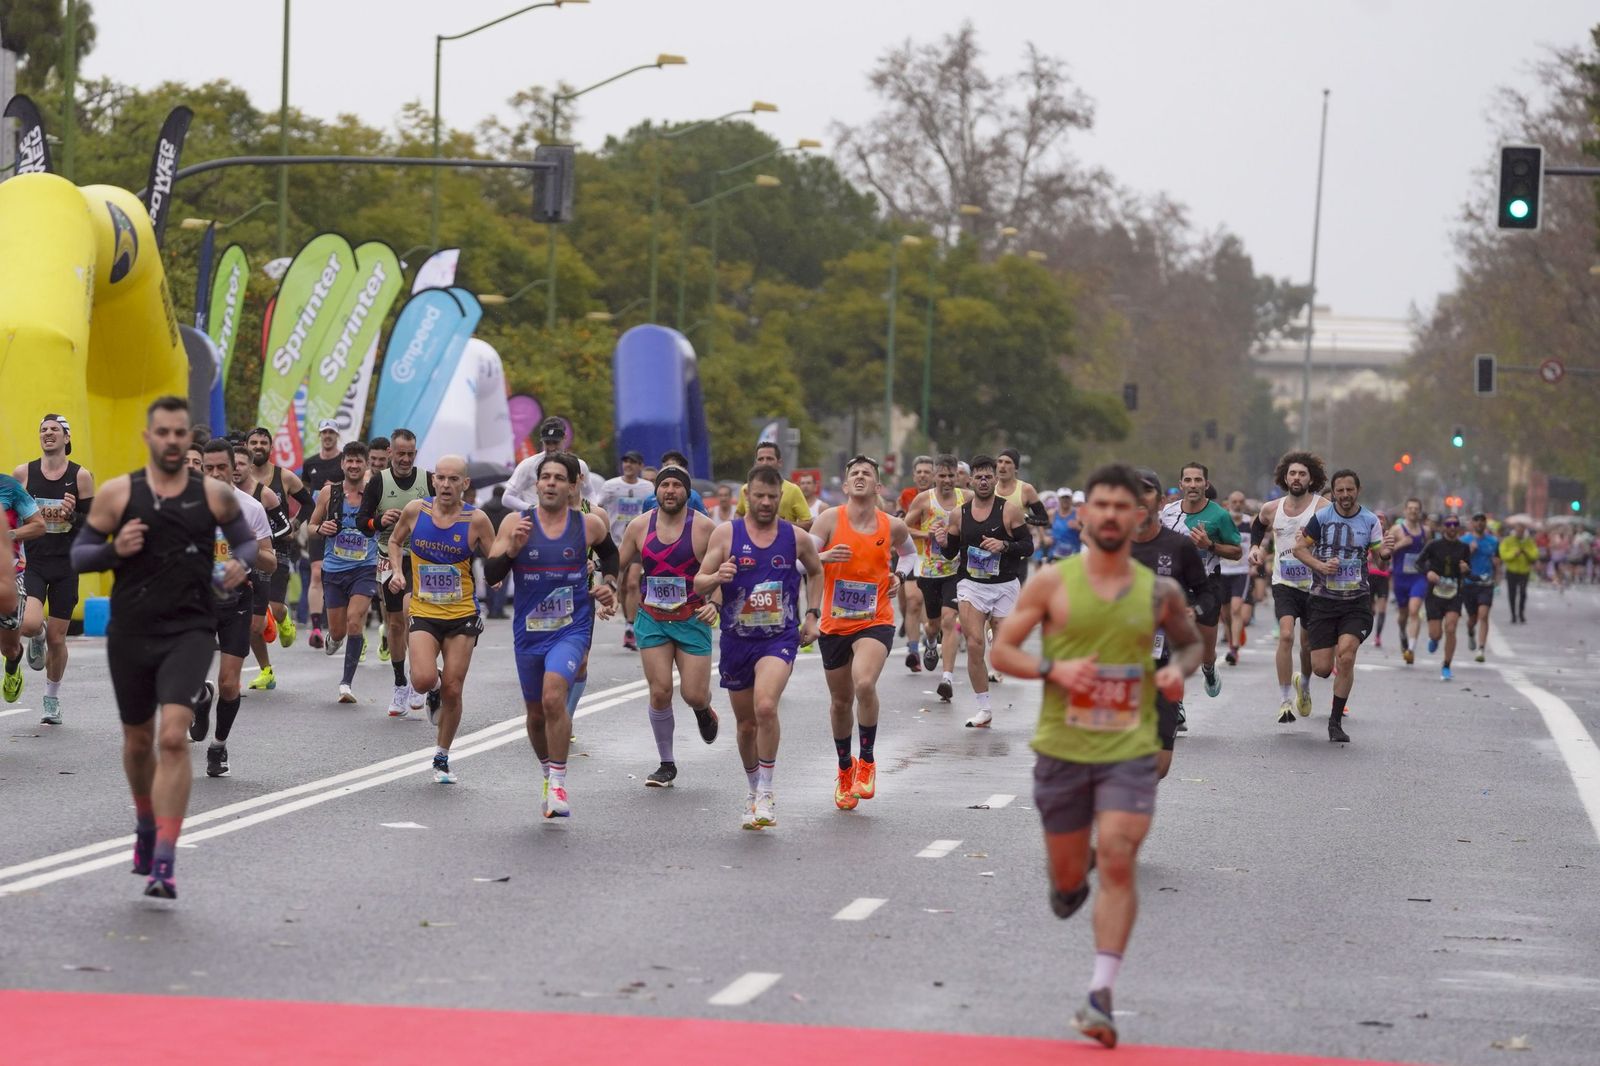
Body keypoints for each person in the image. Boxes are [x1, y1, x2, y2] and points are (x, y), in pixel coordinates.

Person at [989, 464, 1202, 1050]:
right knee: (1068, 879)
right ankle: (1068, 879)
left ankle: (1100, 994)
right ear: (1083, 516)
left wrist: (1176, 672)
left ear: (1137, 517)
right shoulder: (1052, 583)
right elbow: (1003, 652)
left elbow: (1190, 646)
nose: (1110, 515)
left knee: (1118, 856)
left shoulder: (1159, 592)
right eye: (1100, 505)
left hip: (1130, 747)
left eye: (1121, 506)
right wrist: (1054, 669)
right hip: (1063, 749)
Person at [71, 395, 259, 899]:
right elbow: (80, 555)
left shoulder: (213, 495)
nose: (172, 441)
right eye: (164, 433)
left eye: (180, 433)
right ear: (149, 438)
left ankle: (165, 859)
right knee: (138, 742)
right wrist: (114, 550)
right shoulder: (119, 493)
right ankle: (145, 822)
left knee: (173, 738)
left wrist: (239, 563)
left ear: (186, 438)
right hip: (132, 633)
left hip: (191, 629)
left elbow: (245, 542)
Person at [696, 464, 824, 830]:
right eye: (759, 496)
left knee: (765, 706)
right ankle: (753, 789)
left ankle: (767, 791)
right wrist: (716, 577)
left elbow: (816, 571)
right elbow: (699, 581)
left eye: (772, 497)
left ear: (780, 497)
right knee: (746, 724)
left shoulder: (795, 537)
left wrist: (812, 615)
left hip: (778, 638)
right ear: (747, 496)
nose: (766, 503)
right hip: (737, 640)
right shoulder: (726, 534)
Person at [497, 452, 619, 819]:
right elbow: (491, 574)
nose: (551, 483)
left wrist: (609, 583)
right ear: (536, 485)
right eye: (545, 477)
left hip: (571, 627)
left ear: (572, 486)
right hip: (529, 632)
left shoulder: (589, 524)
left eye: (559, 478)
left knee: (554, 697)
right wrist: (512, 551)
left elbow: (610, 554)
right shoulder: (515, 523)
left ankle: (560, 783)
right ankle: (547, 773)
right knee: (536, 715)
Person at [385, 456, 496, 784]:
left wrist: (498, 574)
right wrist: (396, 571)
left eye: (453, 479)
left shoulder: (476, 519)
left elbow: (496, 558)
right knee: (421, 679)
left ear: (465, 484)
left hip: (462, 614)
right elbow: (395, 540)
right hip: (424, 610)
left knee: (454, 687)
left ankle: (442, 756)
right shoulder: (415, 511)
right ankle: (432, 690)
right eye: (441, 478)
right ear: (433, 481)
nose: (446, 485)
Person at [812, 456, 912, 810]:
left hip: (875, 618)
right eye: (854, 473)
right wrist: (823, 557)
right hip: (835, 623)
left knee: (865, 683)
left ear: (877, 485)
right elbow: (800, 559)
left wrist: (899, 576)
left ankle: (867, 761)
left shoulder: (892, 525)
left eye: (866, 473)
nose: (859, 477)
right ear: (845, 485)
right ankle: (845, 767)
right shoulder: (828, 519)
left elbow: (910, 555)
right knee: (841, 702)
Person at [615, 465, 720, 788]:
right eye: (665, 485)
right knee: (660, 691)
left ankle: (704, 709)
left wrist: (715, 603)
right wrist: (604, 586)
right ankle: (666, 763)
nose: (670, 490)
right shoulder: (639, 526)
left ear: (687, 492)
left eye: (676, 485)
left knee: (693, 694)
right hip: (652, 618)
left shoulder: (705, 528)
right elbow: (617, 564)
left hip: (692, 617)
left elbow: (722, 573)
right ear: (656, 491)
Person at [190, 440, 277, 777]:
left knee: (229, 684)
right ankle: (200, 699)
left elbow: (270, 562)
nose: (214, 474)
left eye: (221, 467)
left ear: (234, 468)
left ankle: (218, 746)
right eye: (208, 468)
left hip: (236, 601)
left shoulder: (251, 508)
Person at [1291, 470, 1393, 742]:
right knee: (1322, 669)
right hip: (1323, 602)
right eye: (1340, 490)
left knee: (1346, 656)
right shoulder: (1322, 518)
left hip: (1356, 603)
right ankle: (1305, 679)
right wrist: (1320, 566)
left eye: (1350, 490)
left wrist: (1385, 554)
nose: (1345, 495)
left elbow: (1380, 560)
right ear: (1333, 492)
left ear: (1358, 490)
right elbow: (1299, 549)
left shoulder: (1370, 520)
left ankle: (1335, 722)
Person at [933, 455, 1033, 728]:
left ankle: (996, 631)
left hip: (1004, 584)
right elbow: (951, 553)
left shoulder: (1009, 511)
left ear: (995, 479)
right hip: (971, 584)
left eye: (989, 477)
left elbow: (1028, 547)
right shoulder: (959, 514)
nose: (984, 481)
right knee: (975, 644)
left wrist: (1004, 546)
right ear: (970, 481)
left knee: (1000, 646)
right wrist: (943, 542)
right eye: (979, 477)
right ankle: (984, 709)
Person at [15, 414, 95, 724]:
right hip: (34, 563)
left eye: (54, 430)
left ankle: (51, 699)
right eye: (43, 430)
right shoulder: (23, 473)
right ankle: (38, 634)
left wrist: (72, 516)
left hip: (66, 565)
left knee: (58, 640)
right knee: (29, 625)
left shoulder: (81, 476)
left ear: (66, 437)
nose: (48, 434)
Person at [1129, 469, 1207, 776]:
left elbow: (1206, 591)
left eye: (1146, 491)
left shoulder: (1179, 546)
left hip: (1163, 663)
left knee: (1159, 766)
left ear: (1161, 501)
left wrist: (1194, 610)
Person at [356, 429, 434, 715]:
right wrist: (379, 521)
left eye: (410, 454)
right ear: (390, 452)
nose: (405, 459)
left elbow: (445, 515)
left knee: (411, 614)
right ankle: (401, 683)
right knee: (396, 624)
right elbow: (362, 522)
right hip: (389, 557)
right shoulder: (379, 482)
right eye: (400, 454)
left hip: (421, 559)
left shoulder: (428, 480)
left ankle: (418, 677)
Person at [1248, 452, 1328, 723]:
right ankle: (1284, 701)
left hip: (1315, 585)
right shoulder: (1272, 508)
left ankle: (1303, 685)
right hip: (1284, 583)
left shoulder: (1322, 507)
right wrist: (1255, 548)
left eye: (1302, 474)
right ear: (1285, 477)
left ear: (1311, 479)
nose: (1296, 478)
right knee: (1285, 636)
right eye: (1292, 473)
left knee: (1307, 644)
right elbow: (1258, 526)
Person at [1159, 461, 1242, 698]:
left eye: (1198, 480)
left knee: (1206, 652)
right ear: (1181, 484)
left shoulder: (1220, 515)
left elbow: (1237, 552)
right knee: (1173, 647)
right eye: (1188, 480)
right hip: (1175, 586)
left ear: (1206, 484)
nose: (1193, 485)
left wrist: (1210, 545)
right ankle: (1176, 704)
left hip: (1207, 586)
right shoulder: (1168, 513)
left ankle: (1209, 668)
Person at [308, 441, 379, 703]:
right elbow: (310, 527)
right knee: (339, 631)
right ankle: (333, 638)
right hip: (334, 569)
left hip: (364, 568)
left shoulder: (375, 494)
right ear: (342, 464)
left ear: (366, 464)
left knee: (354, 621)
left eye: (359, 461)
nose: (354, 465)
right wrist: (320, 529)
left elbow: (386, 525)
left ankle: (346, 683)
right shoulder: (329, 493)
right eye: (350, 460)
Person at [244, 427, 312, 678]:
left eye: (263, 443)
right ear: (246, 446)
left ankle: (284, 618)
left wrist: (295, 525)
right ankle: (266, 671)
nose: (258, 446)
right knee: (254, 618)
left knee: (273, 607)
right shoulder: (239, 478)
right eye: (254, 442)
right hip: (248, 552)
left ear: (271, 448)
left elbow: (309, 503)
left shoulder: (284, 476)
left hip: (278, 549)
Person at [230, 446, 290, 708]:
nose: (236, 469)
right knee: (246, 627)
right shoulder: (215, 497)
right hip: (234, 567)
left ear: (249, 467)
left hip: (262, 561)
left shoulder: (262, 495)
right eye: (233, 464)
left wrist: (262, 537)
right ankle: (264, 670)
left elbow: (286, 526)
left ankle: (274, 616)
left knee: (254, 627)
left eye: (241, 464)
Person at [903, 455, 966, 700]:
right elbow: (903, 528)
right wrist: (924, 533)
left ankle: (946, 678)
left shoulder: (966, 498)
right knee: (934, 624)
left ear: (957, 476)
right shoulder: (924, 499)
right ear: (934, 477)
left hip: (956, 570)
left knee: (950, 620)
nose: (947, 480)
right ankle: (930, 641)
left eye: (951, 475)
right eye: (942, 475)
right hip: (929, 570)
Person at [597, 450, 656, 652]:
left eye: (633, 462)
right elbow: (598, 508)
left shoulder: (647, 487)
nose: (628, 465)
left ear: (640, 466)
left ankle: (631, 627)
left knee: (632, 583)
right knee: (620, 587)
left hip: (638, 541)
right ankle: (629, 623)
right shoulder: (610, 486)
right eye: (625, 461)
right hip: (615, 542)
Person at [300, 420, 346, 649]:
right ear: (319, 435)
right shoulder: (310, 463)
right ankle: (316, 628)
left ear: (337, 435)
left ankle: (345, 621)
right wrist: (299, 521)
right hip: (318, 523)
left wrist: (336, 486)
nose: (327, 436)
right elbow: (306, 495)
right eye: (324, 432)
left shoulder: (345, 460)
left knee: (343, 574)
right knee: (316, 573)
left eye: (331, 432)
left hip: (343, 525)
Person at [0, 472, 45, 704]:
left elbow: (39, 526)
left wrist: (8, 534)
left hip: (8, 576)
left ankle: (12, 666)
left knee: (9, 648)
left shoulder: (9, 487)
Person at [1416, 515, 1472, 681]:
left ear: (1459, 527)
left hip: (1455, 593)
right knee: (1436, 634)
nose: (1452, 527)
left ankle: (1446, 665)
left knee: (1451, 627)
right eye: (1449, 524)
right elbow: (1418, 563)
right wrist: (1428, 572)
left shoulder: (1464, 547)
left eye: (1455, 524)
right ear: (1443, 527)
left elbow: (1469, 570)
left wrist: (1466, 569)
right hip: (1435, 593)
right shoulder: (1433, 545)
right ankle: (1434, 639)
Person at [894, 456, 934, 673]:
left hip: (936, 558)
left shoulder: (940, 495)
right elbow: (901, 525)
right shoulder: (907, 495)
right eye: (919, 472)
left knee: (928, 607)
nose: (922, 475)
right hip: (911, 554)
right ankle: (913, 652)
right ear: (914, 475)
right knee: (912, 601)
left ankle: (930, 639)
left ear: (933, 475)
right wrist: (924, 534)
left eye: (927, 472)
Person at [735, 441, 813, 531]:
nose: (764, 463)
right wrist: (741, 528)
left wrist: (781, 523)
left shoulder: (793, 490)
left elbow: (808, 524)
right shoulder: (746, 489)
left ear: (779, 462)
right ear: (756, 463)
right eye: (760, 459)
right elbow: (739, 513)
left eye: (769, 459)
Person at [1388, 498, 1431, 663]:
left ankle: (1411, 649)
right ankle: (1402, 631)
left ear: (1419, 512)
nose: (1413, 511)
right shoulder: (1396, 530)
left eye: (1416, 509)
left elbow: (1430, 552)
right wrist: (1401, 544)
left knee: (1414, 611)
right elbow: (1385, 552)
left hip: (1418, 577)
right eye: (1410, 508)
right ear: (1405, 511)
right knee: (1403, 615)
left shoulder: (1425, 531)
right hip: (1401, 578)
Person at [1461, 513, 1501, 663]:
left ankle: (1481, 649)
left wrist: (1497, 578)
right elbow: (1458, 562)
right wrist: (1470, 551)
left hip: (1486, 583)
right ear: (1472, 523)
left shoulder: (1493, 541)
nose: (1479, 523)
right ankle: (1470, 631)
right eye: (1476, 521)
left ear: (1485, 524)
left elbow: (1497, 561)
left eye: (1482, 521)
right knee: (1472, 619)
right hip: (1469, 583)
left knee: (1483, 615)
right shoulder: (1464, 541)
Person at [1219, 490, 1252, 665]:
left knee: (1236, 608)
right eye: (1234, 502)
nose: (1237, 505)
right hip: (1222, 571)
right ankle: (1232, 641)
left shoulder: (1250, 523)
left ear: (1244, 503)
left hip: (1241, 572)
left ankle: (1234, 648)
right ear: (1228, 504)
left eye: (1241, 501)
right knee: (1226, 614)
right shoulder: (1222, 522)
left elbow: (1258, 544)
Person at [1498, 520, 1537, 624]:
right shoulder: (1508, 540)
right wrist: (1514, 554)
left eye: (1522, 531)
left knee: (1523, 593)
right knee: (1512, 593)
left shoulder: (1529, 541)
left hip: (1524, 571)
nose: (1520, 533)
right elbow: (1503, 554)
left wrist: (1526, 552)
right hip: (1511, 570)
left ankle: (1521, 613)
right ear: (1515, 531)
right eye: (1518, 531)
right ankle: (1513, 615)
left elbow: (1535, 555)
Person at [1367, 511, 1393, 650]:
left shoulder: (1388, 537)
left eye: (1382, 519)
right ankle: (1366, 631)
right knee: (1371, 610)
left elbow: (1391, 556)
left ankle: (1378, 637)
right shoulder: (1367, 535)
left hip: (1383, 577)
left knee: (1382, 608)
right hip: (1369, 576)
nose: (1380, 521)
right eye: (1377, 519)